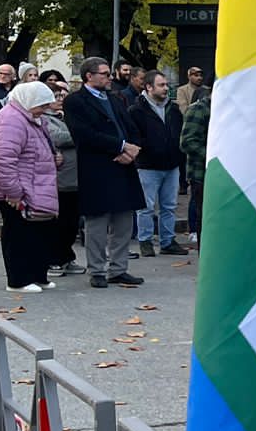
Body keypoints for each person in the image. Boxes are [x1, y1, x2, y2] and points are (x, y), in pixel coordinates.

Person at [63, 57, 145, 289]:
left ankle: (119, 269)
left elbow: (131, 127)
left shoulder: (115, 98)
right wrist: (119, 146)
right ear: (89, 76)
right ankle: (97, 269)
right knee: (97, 223)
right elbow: (83, 134)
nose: (110, 77)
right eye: (105, 73)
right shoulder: (75, 101)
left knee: (124, 221)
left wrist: (133, 149)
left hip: (123, 166)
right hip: (97, 167)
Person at [0, 82, 61, 293]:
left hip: (34, 184)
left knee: (38, 232)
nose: (45, 109)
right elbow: (3, 160)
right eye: (42, 104)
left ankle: (37, 275)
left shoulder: (31, 118)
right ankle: (18, 280)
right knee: (19, 234)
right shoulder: (10, 120)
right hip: (17, 189)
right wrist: (14, 192)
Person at [126, 70, 186, 256]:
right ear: (149, 87)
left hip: (171, 164)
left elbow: (179, 132)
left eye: (166, 85)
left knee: (169, 205)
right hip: (148, 165)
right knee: (146, 206)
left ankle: (167, 241)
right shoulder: (136, 110)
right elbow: (133, 135)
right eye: (161, 85)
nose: (166, 88)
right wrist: (144, 151)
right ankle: (145, 241)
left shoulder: (173, 109)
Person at [45, 91, 84, 275]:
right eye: (56, 96)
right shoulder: (45, 119)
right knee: (60, 221)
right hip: (60, 178)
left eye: (62, 96)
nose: (61, 100)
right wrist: (79, 131)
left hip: (76, 176)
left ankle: (67, 257)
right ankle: (54, 259)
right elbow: (59, 137)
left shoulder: (64, 117)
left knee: (71, 221)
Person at [180, 77, 210, 244]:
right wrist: (213, 157)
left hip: (219, 174)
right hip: (201, 174)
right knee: (204, 217)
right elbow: (187, 142)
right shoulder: (199, 109)